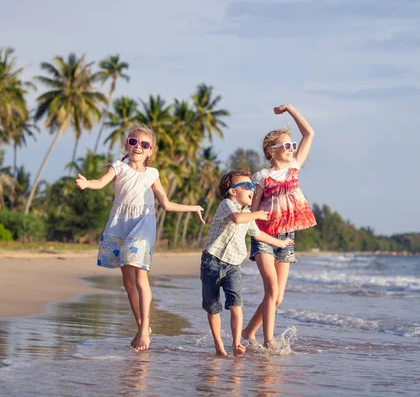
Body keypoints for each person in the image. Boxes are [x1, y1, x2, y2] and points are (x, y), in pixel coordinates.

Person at [76, 123, 204, 352]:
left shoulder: (153, 173)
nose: (138, 146)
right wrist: (87, 184)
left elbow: (165, 204)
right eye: (133, 142)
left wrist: (193, 207)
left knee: (140, 278)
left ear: (150, 151)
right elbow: (101, 182)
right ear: (127, 144)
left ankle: (145, 328)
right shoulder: (119, 167)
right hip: (120, 225)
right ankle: (141, 326)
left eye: (144, 144)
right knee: (128, 283)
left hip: (143, 225)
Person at [242, 104, 316, 348]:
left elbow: (309, 133)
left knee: (278, 297)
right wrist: (246, 236)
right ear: (271, 151)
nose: (291, 148)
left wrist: (291, 110)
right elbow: (253, 209)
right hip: (263, 234)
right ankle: (269, 341)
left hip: (286, 235)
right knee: (271, 289)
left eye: (292, 145)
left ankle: (248, 332)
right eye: (286, 145)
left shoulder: (293, 167)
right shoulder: (261, 176)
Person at [201, 170, 294, 357]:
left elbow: (257, 234)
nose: (252, 189)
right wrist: (258, 214)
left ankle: (236, 344)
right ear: (233, 191)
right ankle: (219, 345)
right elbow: (237, 219)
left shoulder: (247, 213)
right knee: (213, 306)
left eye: (253, 186)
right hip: (211, 261)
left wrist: (280, 243)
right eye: (247, 186)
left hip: (233, 265)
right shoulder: (227, 204)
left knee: (236, 304)